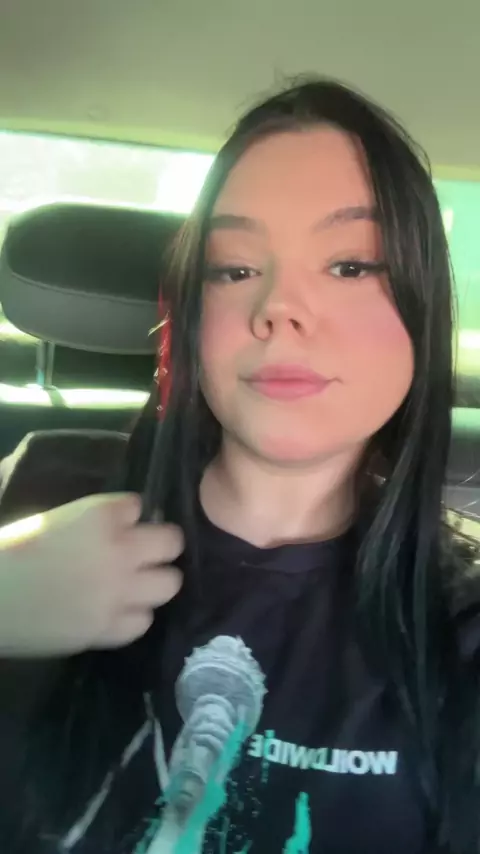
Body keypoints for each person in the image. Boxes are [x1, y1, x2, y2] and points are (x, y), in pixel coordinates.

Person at [0, 76, 479, 854]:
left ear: (424, 314)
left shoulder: (461, 626)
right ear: (188, 318)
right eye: (234, 268)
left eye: (351, 265)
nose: (278, 307)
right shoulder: (38, 484)